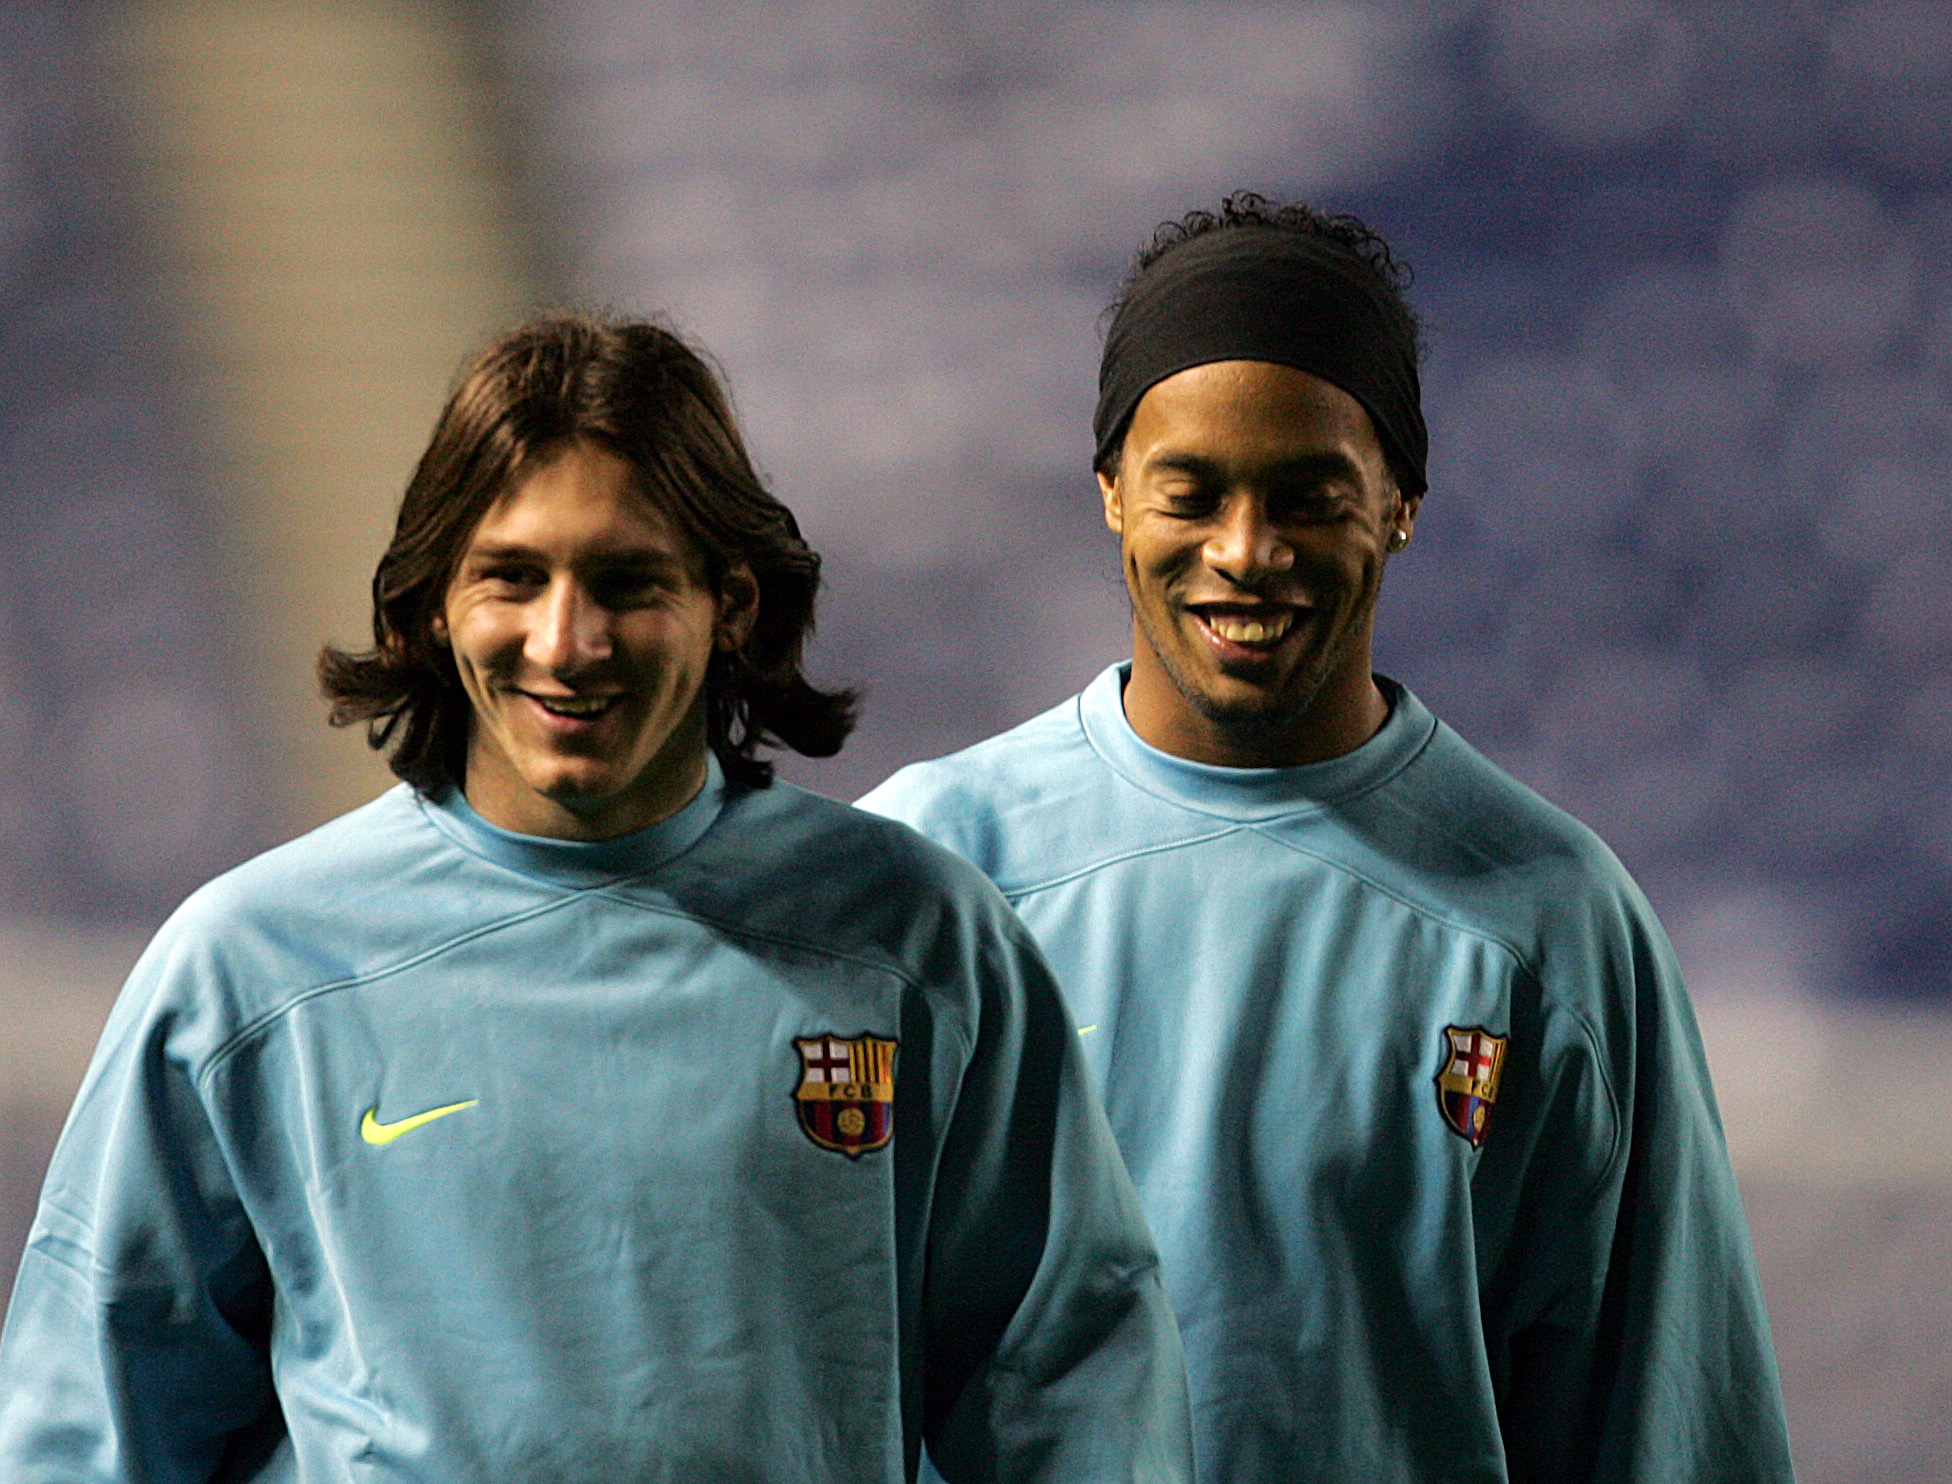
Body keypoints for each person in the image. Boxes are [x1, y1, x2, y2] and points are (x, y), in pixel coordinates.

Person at [0, 314, 1192, 1483]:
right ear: (429, 605)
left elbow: (1071, 1395)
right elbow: (92, 1431)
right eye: (510, 577)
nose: (564, 642)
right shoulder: (251, 975)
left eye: (625, 582)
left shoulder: (911, 938)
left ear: (730, 603)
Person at [862, 197, 1794, 1482]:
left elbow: (1665, 1428)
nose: (1245, 552)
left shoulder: (1550, 923)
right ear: (1111, 494)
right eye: (1190, 491)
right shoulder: (921, 878)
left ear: (1400, 503)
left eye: (1308, 495)